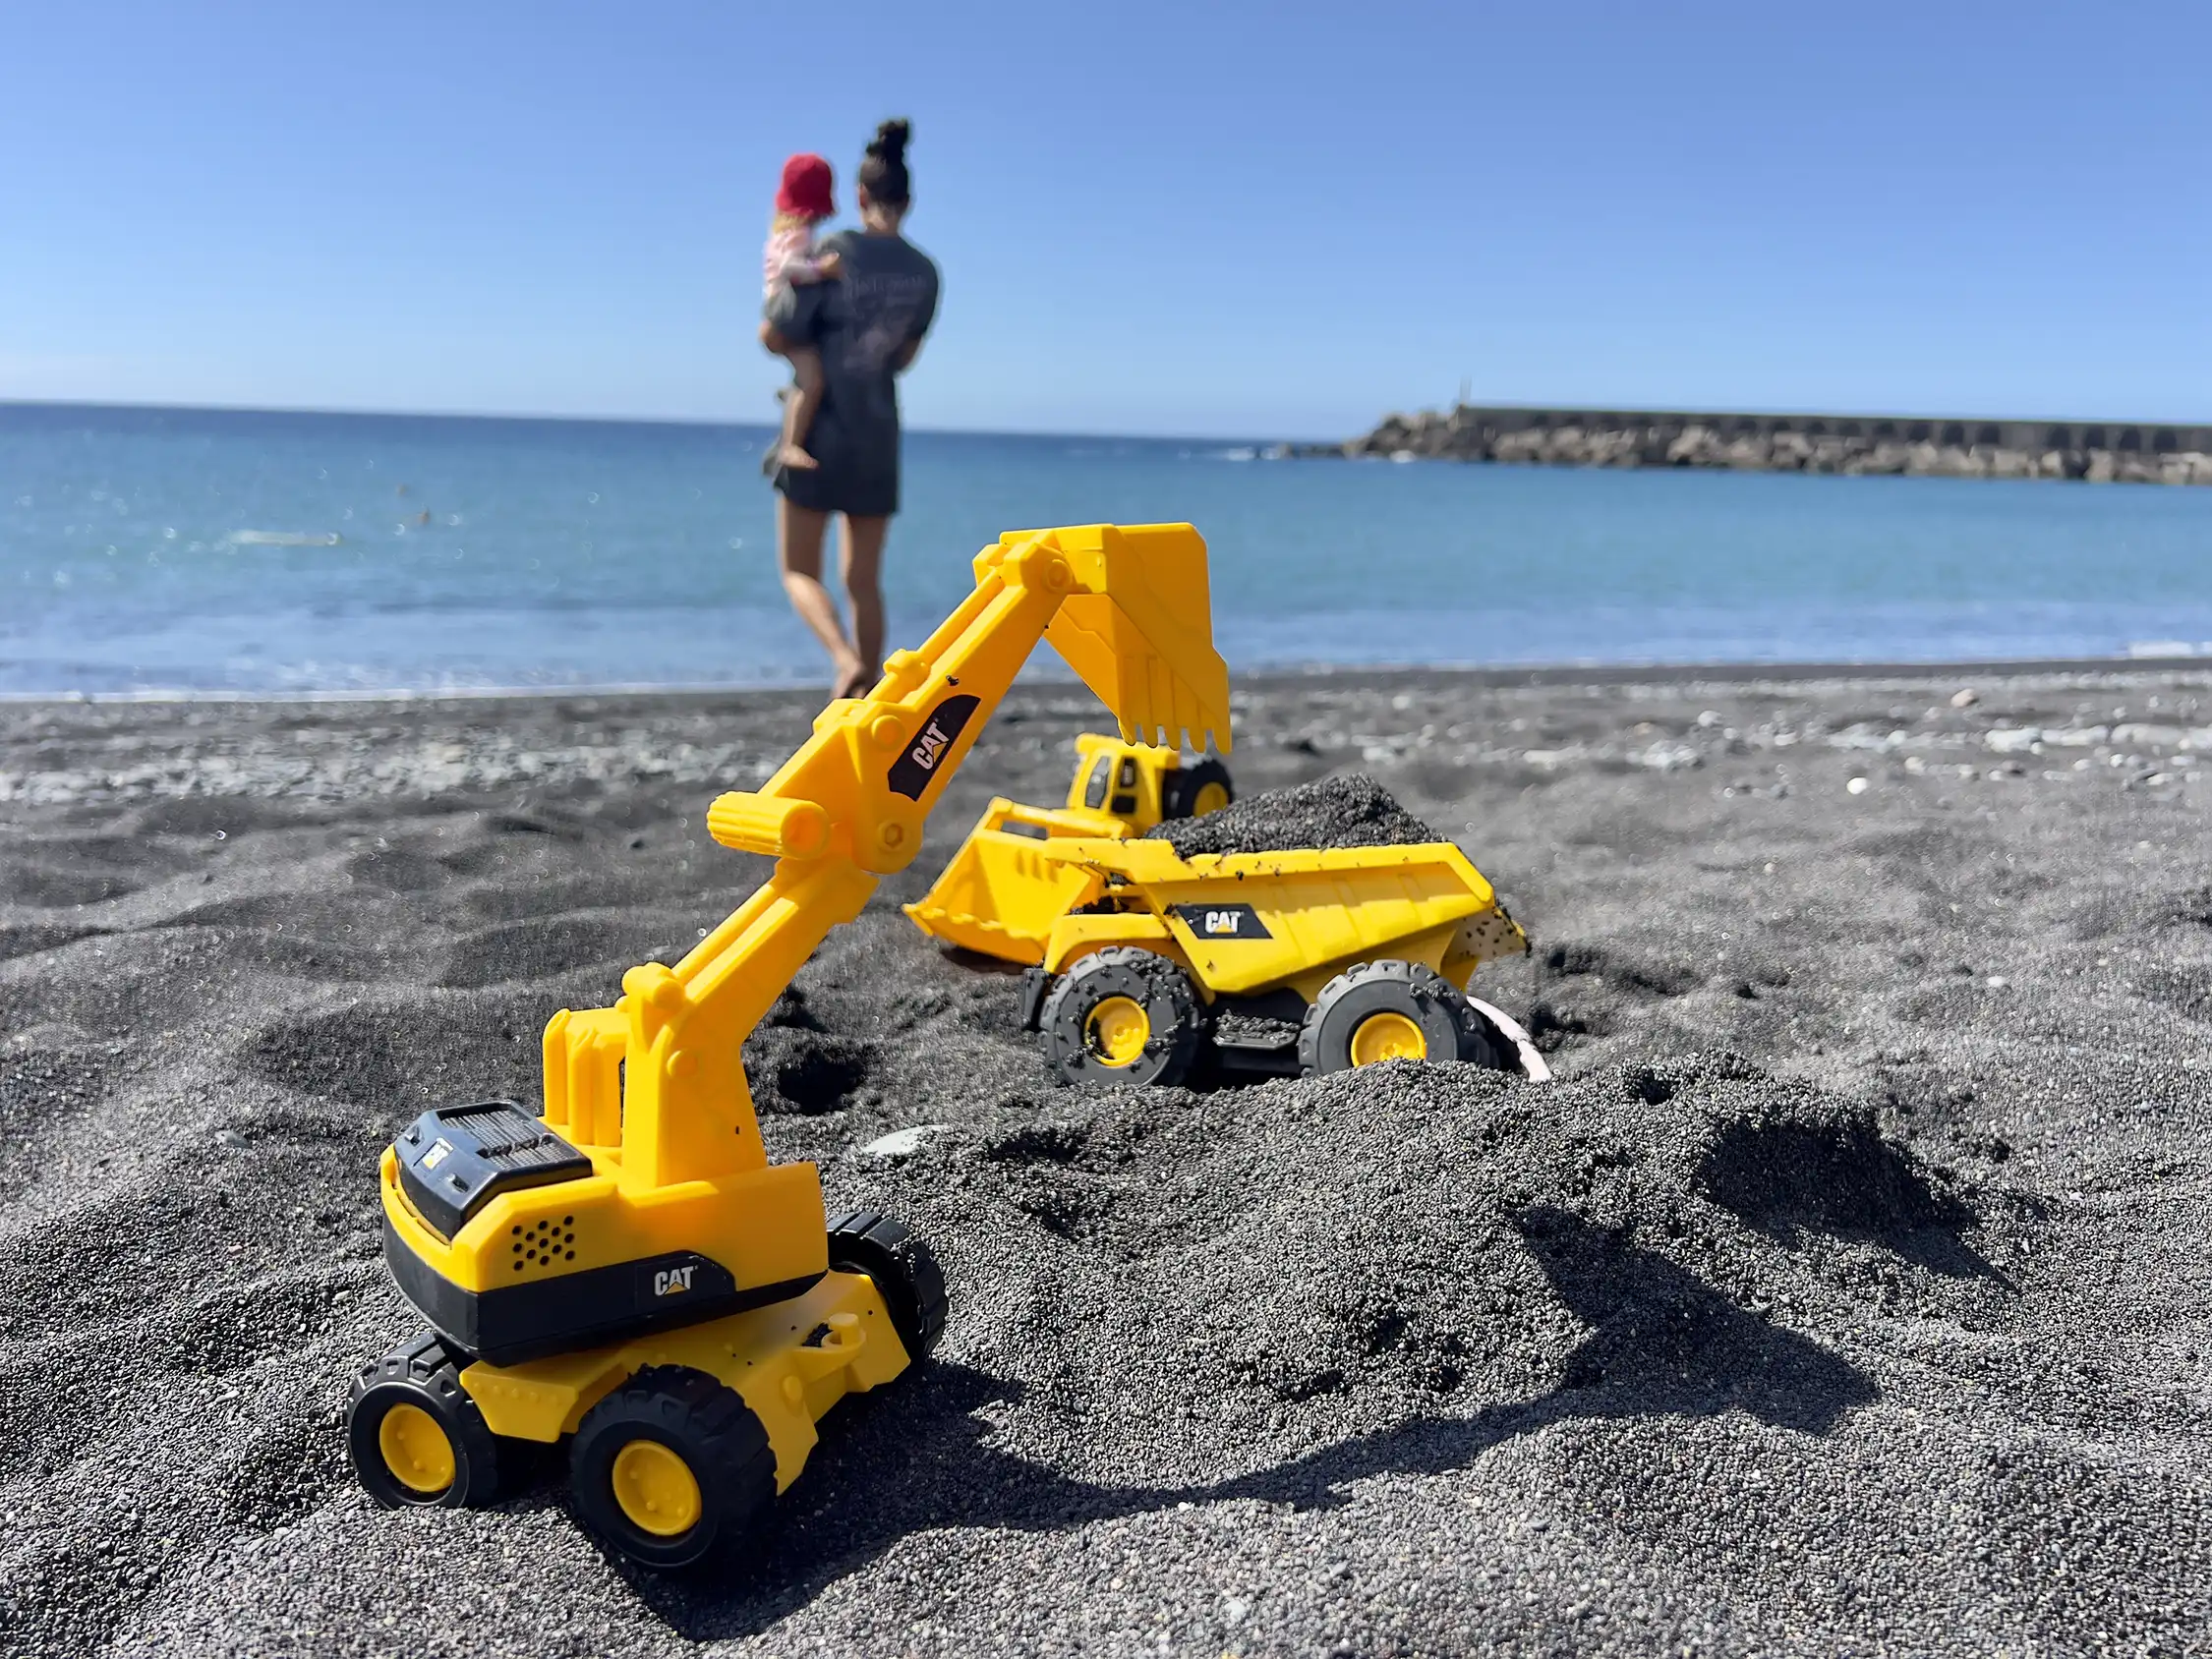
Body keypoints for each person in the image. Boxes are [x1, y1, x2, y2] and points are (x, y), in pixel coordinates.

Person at [760, 118, 940, 701]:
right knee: (864, 581)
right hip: (878, 434)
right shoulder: (925, 272)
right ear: (908, 201)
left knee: (798, 570)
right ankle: (872, 694)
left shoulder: (833, 252)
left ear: (859, 196)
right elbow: (904, 357)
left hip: (818, 432)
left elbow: (774, 331)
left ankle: (843, 662)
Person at [759, 152, 843, 474]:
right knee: (813, 381)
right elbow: (789, 268)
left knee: (808, 376)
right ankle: (790, 446)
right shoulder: (799, 235)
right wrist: (822, 269)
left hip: (778, 307)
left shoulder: (781, 231)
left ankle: (796, 396)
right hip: (787, 308)